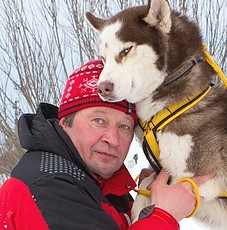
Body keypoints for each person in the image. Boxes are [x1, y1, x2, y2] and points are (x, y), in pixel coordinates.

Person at [0, 59, 212, 230]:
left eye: (124, 127)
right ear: (65, 122)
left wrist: (146, 207)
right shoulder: (47, 187)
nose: (113, 139)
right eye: (98, 121)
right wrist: (164, 216)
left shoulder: (97, 184)